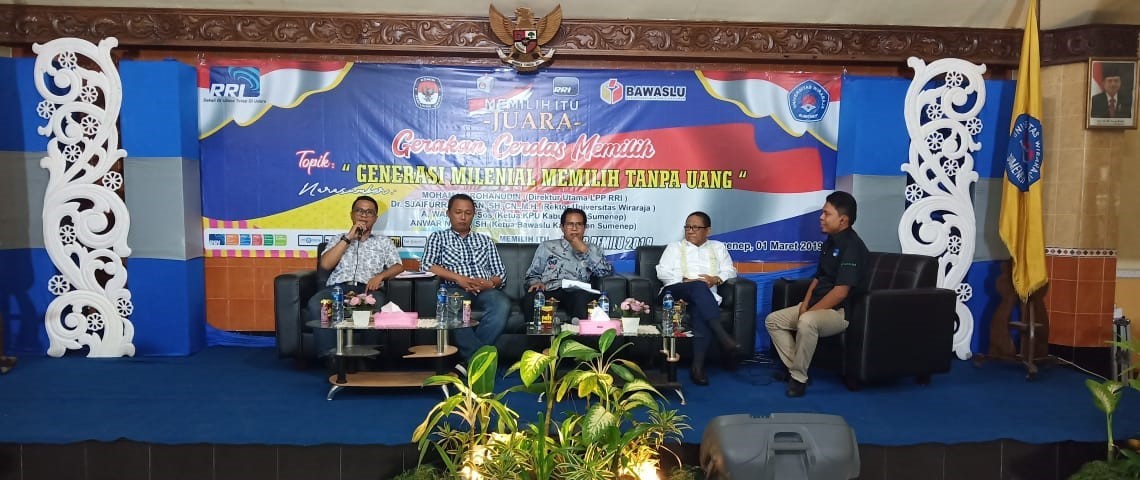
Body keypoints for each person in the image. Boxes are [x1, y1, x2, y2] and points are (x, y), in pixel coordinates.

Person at [765, 191, 869, 398]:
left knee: (807, 321)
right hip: (816, 306)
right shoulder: (829, 242)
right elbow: (818, 278)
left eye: (826, 214)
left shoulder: (853, 247)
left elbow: (840, 292)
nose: (821, 218)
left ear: (843, 220)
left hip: (838, 312)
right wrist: (805, 304)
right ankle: (795, 367)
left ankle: (798, 379)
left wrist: (809, 312)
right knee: (773, 321)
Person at [307, 195, 405, 358]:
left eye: (369, 212)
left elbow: (398, 266)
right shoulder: (338, 239)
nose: (364, 215)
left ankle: (368, 358)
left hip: (367, 290)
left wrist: (381, 276)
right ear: (352, 215)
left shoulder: (383, 242)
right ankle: (331, 357)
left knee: (377, 305)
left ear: (375, 218)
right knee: (317, 303)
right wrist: (348, 238)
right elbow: (325, 265)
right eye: (359, 211)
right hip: (337, 290)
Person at [420, 193, 510, 363]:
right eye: (458, 212)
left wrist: (490, 283)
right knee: (450, 306)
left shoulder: (485, 241)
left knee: (502, 304)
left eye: (468, 213)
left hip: (484, 289)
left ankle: (470, 361)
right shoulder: (438, 237)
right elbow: (427, 265)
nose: (463, 217)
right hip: (455, 287)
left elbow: (500, 274)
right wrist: (459, 278)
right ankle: (478, 361)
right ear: (448, 213)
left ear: (473, 215)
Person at [655, 211, 740, 386]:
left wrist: (716, 279)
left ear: (707, 230)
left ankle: (697, 368)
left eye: (695, 227)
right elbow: (662, 272)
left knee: (700, 307)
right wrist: (685, 282)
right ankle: (723, 336)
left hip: (705, 297)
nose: (690, 231)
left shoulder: (718, 247)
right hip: (675, 291)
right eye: (687, 227)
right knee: (698, 286)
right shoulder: (674, 247)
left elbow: (730, 270)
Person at [522, 208, 613, 323]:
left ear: (585, 227)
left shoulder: (593, 249)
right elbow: (532, 275)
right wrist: (536, 282)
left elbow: (605, 272)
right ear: (562, 227)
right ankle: (535, 334)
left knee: (583, 298)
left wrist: (585, 251)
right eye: (570, 224)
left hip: (578, 292)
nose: (574, 228)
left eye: (579, 224)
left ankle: (576, 333)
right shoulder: (547, 246)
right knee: (532, 298)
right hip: (550, 289)